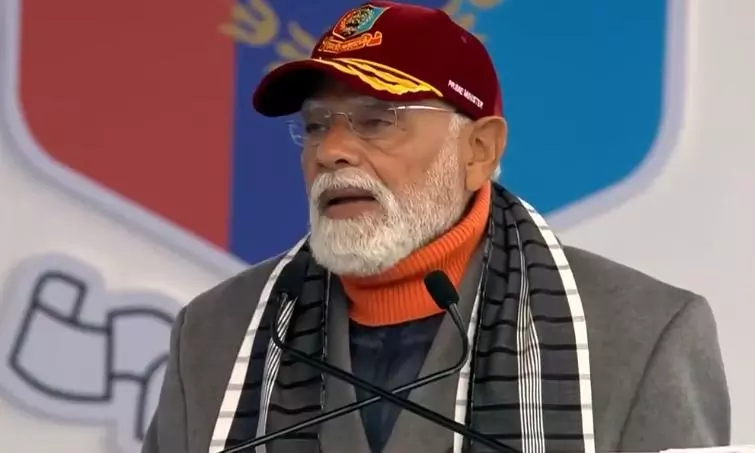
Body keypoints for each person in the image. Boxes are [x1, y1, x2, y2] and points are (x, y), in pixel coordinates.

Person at [142, 2, 731, 452]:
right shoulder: (216, 333)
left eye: (377, 120)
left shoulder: (642, 335)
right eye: (317, 125)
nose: (331, 151)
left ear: (478, 150)